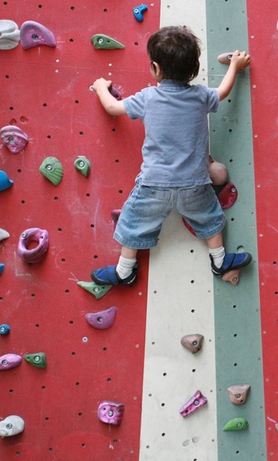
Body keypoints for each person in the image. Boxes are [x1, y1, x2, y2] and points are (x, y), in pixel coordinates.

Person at [88, 25, 253, 286]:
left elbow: (111, 107)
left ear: (155, 68)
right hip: (195, 183)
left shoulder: (148, 98)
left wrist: (100, 87)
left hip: (155, 184)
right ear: (194, 69)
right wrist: (234, 66)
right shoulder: (200, 96)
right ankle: (219, 261)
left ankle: (124, 271)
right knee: (211, 218)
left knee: (133, 223)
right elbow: (223, 91)